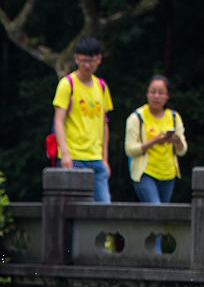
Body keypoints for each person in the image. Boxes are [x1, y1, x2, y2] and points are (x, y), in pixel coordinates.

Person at [51, 37, 114, 202]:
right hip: (74, 157)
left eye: (91, 61)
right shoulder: (67, 84)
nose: (87, 65)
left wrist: (105, 159)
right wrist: (64, 153)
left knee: (104, 206)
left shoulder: (101, 86)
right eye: (84, 61)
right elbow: (58, 120)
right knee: (74, 210)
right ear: (76, 58)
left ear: (99, 59)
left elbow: (104, 124)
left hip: (96, 158)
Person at [124, 75, 188, 203]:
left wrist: (176, 140)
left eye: (161, 93)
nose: (156, 96)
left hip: (168, 174)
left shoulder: (174, 117)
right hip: (145, 173)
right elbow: (129, 150)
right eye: (153, 92)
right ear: (147, 94)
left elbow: (182, 151)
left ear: (167, 96)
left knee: (162, 217)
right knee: (155, 209)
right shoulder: (136, 117)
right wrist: (154, 141)